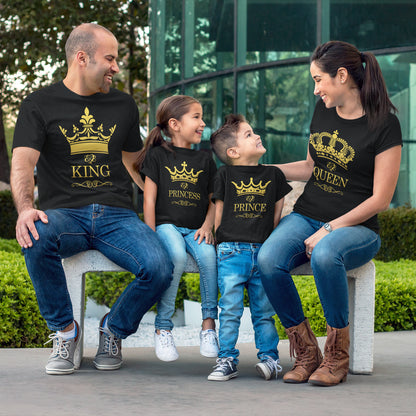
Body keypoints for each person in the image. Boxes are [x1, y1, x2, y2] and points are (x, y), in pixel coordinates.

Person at [10, 23, 173, 375]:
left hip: (117, 215)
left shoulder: (123, 105)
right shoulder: (39, 104)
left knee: (159, 266)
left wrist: (171, 201)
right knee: (34, 235)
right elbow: (23, 162)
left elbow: (133, 163)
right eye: (110, 59)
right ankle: (66, 333)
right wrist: (25, 210)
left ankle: (113, 328)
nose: (116, 67)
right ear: (82, 58)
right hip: (64, 214)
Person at [257, 40, 402, 387]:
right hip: (307, 213)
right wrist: (265, 169)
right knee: (267, 259)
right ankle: (307, 353)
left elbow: (382, 198)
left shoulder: (385, 125)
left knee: (325, 254)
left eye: (318, 80)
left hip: (358, 227)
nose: (315, 89)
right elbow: (310, 167)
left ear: (341, 76)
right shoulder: (323, 111)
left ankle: (336, 355)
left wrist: (330, 228)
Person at [207, 114, 292, 381]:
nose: (256, 136)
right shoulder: (225, 174)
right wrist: (219, 243)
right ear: (232, 152)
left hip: (263, 252)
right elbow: (218, 213)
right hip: (231, 252)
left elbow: (277, 215)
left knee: (263, 311)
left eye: (253, 132)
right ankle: (227, 359)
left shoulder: (274, 175)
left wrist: (267, 245)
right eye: (248, 134)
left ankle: (270, 359)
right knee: (229, 309)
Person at [136, 95, 219, 362]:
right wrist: (150, 236)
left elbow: (213, 201)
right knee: (178, 257)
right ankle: (163, 328)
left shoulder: (206, 159)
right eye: (196, 117)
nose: (202, 123)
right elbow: (148, 199)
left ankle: (208, 327)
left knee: (208, 257)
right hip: (166, 226)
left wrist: (208, 226)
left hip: (196, 228)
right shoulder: (158, 155)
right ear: (174, 124)